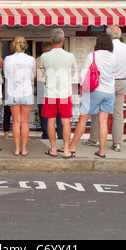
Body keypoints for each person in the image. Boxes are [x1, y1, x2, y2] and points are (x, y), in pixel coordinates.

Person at [60, 33, 116, 158]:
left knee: (83, 119)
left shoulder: (93, 55)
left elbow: (84, 74)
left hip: (94, 91)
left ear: (98, 43)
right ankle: (101, 150)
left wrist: (82, 87)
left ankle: (72, 147)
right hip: (109, 92)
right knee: (103, 121)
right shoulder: (114, 57)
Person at [83, 25, 126, 153]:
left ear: (107, 36)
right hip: (122, 82)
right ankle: (117, 143)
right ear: (119, 35)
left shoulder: (108, 49)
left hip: (106, 84)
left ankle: (94, 139)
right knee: (118, 113)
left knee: (97, 113)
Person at [40, 28, 77, 159]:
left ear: (50, 40)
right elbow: (72, 73)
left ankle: (53, 149)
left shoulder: (44, 56)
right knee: (65, 121)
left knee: (51, 120)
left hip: (50, 93)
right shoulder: (70, 56)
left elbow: (43, 73)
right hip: (64, 93)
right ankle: (66, 150)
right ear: (63, 40)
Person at [4, 36, 36, 156]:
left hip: (13, 92)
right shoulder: (31, 59)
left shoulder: (7, 59)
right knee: (25, 122)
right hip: (26, 92)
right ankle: (24, 149)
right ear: (25, 45)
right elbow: (32, 75)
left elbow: (6, 75)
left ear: (13, 45)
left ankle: (16, 149)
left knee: (16, 122)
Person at [36, 41, 63, 140]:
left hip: (41, 85)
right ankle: (60, 135)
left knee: (44, 113)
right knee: (59, 113)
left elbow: (35, 75)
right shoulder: (57, 59)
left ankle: (47, 135)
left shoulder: (38, 60)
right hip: (56, 85)